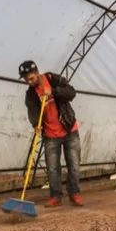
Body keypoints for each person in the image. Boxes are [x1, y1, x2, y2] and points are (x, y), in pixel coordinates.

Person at [20, 60, 83, 207]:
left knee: (73, 165)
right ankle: (56, 196)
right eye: (26, 80)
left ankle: (74, 193)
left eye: (31, 78)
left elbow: (71, 92)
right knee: (53, 168)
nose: (29, 82)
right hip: (50, 135)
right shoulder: (30, 94)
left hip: (69, 130)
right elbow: (33, 111)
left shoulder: (52, 79)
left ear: (37, 72)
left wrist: (54, 92)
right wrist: (36, 125)